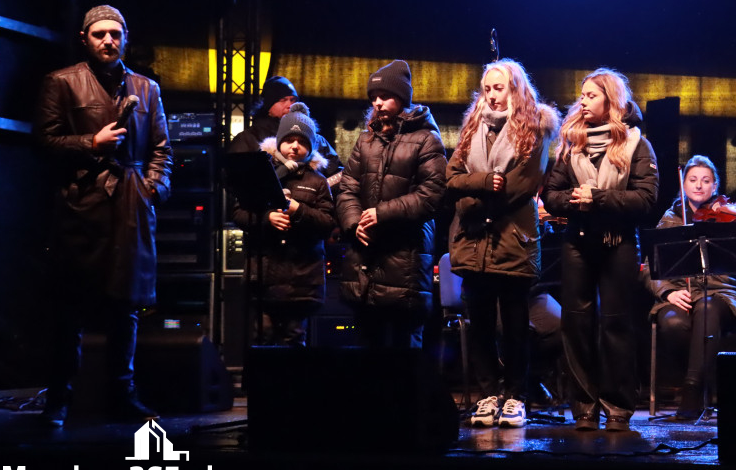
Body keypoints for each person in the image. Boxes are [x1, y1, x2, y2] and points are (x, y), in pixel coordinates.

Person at [36, 5, 173, 426]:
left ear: (126, 37)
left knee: (126, 308)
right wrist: (89, 143)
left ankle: (121, 393)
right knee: (70, 308)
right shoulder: (61, 81)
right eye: (99, 34)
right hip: (82, 205)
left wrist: (153, 188)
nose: (108, 41)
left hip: (131, 205)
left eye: (115, 33)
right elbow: (44, 140)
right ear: (85, 39)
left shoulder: (146, 88)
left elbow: (162, 149)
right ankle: (59, 398)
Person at [543, 68, 658, 431]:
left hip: (618, 244)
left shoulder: (637, 143)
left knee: (616, 325)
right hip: (578, 242)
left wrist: (600, 198)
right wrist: (575, 202)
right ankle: (583, 407)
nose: (582, 101)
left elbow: (646, 199)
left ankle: (619, 406)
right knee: (576, 325)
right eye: (582, 95)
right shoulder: (570, 142)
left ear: (611, 100)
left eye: (591, 95)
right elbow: (551, 194)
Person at [446, 59, 559, 428]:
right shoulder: (471, 127)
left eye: (500, 88)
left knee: (513, 324)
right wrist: (479, 185)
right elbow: (452, 176)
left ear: (516, 90)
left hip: (513, 240)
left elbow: (520, 187)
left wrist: (469, 192)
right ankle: (486, 395)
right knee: (478, 323)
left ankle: (515, 395)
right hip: (472, 240)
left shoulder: (535, 128)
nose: (493, 96)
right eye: (488, 89)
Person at [336, 60, 447, 349]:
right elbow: (348, 187)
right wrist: (353, 223)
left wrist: (381, 214)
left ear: (401, 97)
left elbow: (433, 194)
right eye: (373, 98)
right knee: (368, 352)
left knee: (405, 353)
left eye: (384, 96)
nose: (377, 103)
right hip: (366, 261)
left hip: (405, 261)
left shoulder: (426, 139)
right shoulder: (365, 141)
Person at [646, 155, 736, 418]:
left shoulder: (733, 214)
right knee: (675, 324)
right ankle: (710, 382)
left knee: (707, 308)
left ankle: (692, 390)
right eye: (693, 179)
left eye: (706, 181)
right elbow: (649, 268)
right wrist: (668, 292)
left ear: (715, 186)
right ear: (683, 184)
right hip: (679, 295)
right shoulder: (670, 218)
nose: (699, 186)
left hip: (724, 294)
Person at [232, 102, 336, 345]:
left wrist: (298, 210)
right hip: (264, 279)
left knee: (294, 341)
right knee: (261, 338)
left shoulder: (318, 182)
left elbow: (327, 223)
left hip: (301, 282)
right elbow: (238, 213)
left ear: (311, 147)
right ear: (278, 141)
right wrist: (267, 218)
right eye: (289, 139)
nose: (295, 146)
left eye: (302, 142)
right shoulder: (262, 173)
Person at [228, 75, 343, 184]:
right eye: (283, 100)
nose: (290, 105)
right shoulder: (248, 139)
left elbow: (338, 174)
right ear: (269, 106)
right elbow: (233, 179)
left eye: (293, 100)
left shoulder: (317, 140)